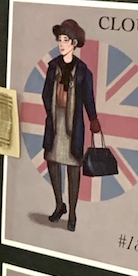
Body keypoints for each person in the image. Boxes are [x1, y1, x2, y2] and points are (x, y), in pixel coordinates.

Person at [41, 19, 102, 232]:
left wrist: (93, 118)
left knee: (73, 166)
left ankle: (73, 213)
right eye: (59, 39)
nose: (61, 43)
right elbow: (45, 92)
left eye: (66, 40)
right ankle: (60, 204)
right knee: (52, 161)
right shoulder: (53, 66)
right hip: (55, 121)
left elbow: (88, 99)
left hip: (73, 123)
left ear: (74, 43)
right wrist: (51, 111)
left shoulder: (83, 71)